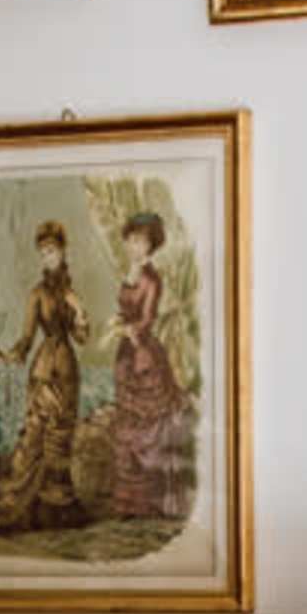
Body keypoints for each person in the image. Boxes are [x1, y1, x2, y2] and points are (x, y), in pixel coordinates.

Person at [0, 219, 89, 531]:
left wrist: (80, 312)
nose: (47, 257)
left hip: (68, 371)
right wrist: (13, 353)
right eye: (43, 253)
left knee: (62, 437)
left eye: (52, 251)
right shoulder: (36, 294)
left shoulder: (71, 293)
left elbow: (83, 338)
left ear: (63, 253)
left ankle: (57, 505)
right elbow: (27, 336)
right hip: (44, 371)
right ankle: (25, 501)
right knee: (35, 435)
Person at [105, 207, 192, 529]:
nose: (134, 246)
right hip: (126, 354)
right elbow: (125, 310)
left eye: (141, 241)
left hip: (144, 356)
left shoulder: (151, 278)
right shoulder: (129, 271)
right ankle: (129, 502)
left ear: (151, 245)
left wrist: (130, 329)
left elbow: (148, 318)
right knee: (126, 426)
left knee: (146, 429)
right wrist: (118, 323)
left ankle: (150, 501)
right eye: (131, 239)